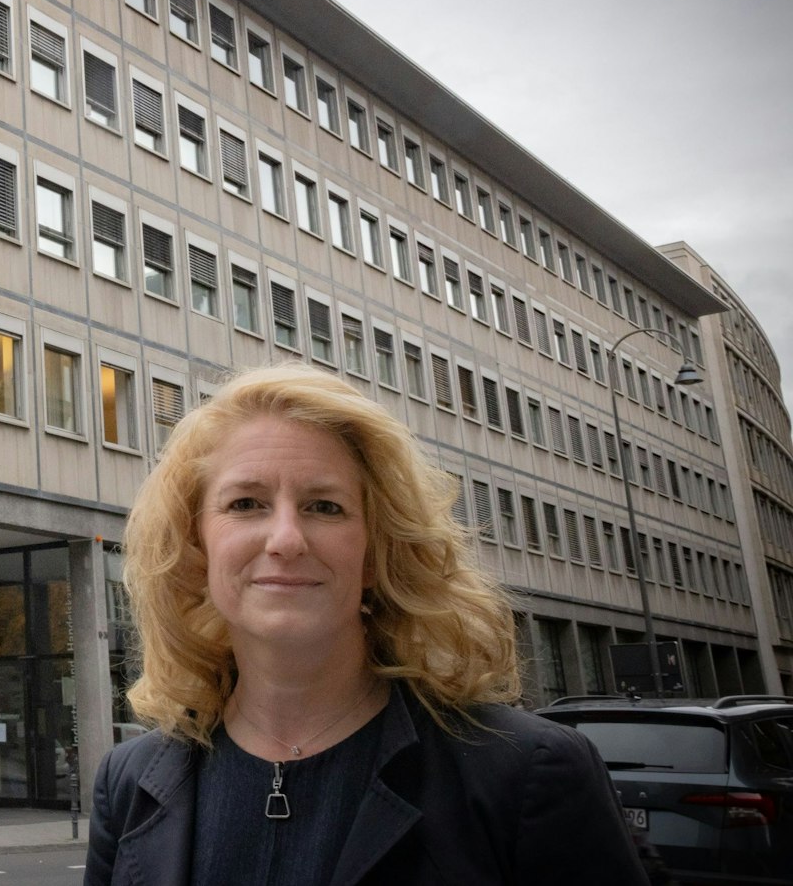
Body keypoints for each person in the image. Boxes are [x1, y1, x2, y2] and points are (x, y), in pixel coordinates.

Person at [84, 365, 645, 886]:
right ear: (196, 548)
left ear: (376, 553)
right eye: (246, 503)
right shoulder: (130, 783)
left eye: (325, 507)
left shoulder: (529, 772)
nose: (285, 540)